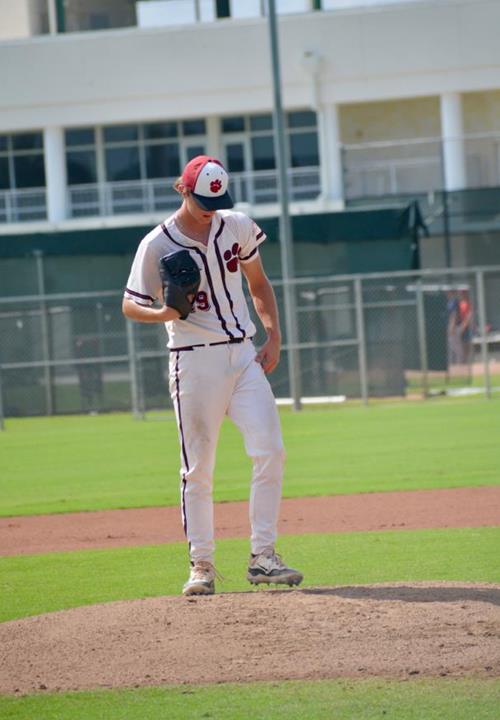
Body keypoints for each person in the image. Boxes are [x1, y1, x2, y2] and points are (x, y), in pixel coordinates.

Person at [122, 155, 303, 596]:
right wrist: (163, 314)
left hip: (243, 356)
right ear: (182, 189)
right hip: (193, 360)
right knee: (199, 469)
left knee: (271, 450)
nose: (210, 209)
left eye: (216, 201)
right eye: (203, 200)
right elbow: (130, 304)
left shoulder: (237, 226)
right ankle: (201, 564)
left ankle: (263, 557)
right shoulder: (157, 243)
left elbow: (258, 284)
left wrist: (274, 335)